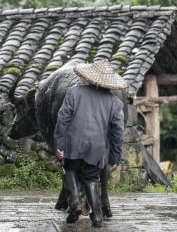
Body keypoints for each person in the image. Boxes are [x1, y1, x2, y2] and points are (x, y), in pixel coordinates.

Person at [54, 60, 125, 227]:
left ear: (89, 77)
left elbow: (62, 120)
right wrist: (115, 157)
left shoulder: (73, 92)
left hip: (73, 145)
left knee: (69, 169)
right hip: (97, 149)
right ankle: (97, 215)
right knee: (92, 176)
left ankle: (75, 204)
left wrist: (60, 145)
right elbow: (117, 132)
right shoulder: (115, 102)